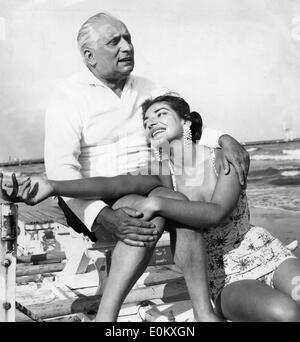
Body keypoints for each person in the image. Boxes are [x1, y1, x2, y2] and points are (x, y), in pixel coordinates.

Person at [5, 12, 249, 322]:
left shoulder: (148, 87)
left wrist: (225, 139)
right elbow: (62, 171)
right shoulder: (68, 96)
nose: (127, 47)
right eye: (114, 42)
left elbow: (181, 119)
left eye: (128, 38)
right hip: (90, 195)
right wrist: (103, 216)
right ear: (89, 57)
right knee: (153, 213)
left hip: (145, 183)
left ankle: (204, 314)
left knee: (176, 205)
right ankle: (108, 318)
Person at [3, 94, 300, 322]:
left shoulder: (223, 159)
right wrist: (54, 186)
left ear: (185, 122)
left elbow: (216, 213)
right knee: (286, 313)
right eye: (146, 122)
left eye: (160, 114)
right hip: (225, 275)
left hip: (265, 251)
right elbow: (113, 184)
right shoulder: (162, 173)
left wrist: (158, 201)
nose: (151, 123)